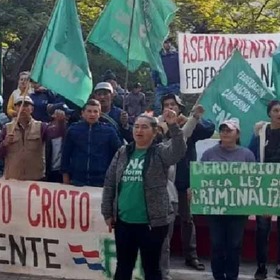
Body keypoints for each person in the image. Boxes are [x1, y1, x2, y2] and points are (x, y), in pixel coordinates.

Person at [101, 110, 187, 280]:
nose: (139, 131)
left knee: (152, 269)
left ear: (154, 132)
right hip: (124, 221)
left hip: (152, 224)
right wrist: (108, 212)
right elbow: (110, 182)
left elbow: (178, 151)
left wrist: (173, 126)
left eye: (144, 127)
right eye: (137, 127)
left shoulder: (160, 152)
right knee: (123, 267)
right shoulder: (123, 152)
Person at [160, 94, 213, 272]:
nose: (170, 108)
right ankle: (162, 259)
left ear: (179, 108)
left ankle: (191, 256)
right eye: (166, 105)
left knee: (187, 220)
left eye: (173, 105)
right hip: (163, 184)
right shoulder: (158, 127)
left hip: (186, 181)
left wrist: (195, 118)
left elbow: (209, 130)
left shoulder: (187, 125)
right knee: (165, 222)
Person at [201, 119, 254, 280]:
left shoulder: (247, 155)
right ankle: (218, 276)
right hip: (215, 209)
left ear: (237, 134)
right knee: (217, 244)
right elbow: (200, 177)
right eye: (223, 130)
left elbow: (255, 181)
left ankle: (232, 276)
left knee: (234, 245)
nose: (225, 133)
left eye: (229, 130)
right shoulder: (209, 154)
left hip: (238, 210)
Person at [250, 100, 280, 280]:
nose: (279, 114)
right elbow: (251, 155)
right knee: (262, 228)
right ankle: (261, 267)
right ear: (269, 113)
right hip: (264, 186)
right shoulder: (261, 131)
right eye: (276, 110)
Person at [61, 99, 121, 187]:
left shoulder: (109, 131)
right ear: (83, 113)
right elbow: (65, 155)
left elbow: (118, 154)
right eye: (89, 111)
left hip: (102, 181)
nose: (92, 114)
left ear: (100, 114)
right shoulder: (73, 129)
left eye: (95, 111)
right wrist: (65, 179)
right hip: (78, 180)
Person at [0, 96, 47, 180]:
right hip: (13, 179)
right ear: (15, 109)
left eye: (26, 105)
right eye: (19, 106)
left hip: (35, 181)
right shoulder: (7, 128)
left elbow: (56, 135)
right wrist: (4, 143)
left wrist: (60, 123)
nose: (22, 109)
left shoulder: (41, 127)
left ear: (32, 109)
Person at [152, 38, 181, 115]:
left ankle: (174, 122)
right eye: (165, 42)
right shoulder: (158, 57)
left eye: (169, 42)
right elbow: (154, 70)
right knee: (158, 105)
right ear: (162, 44)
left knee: (175, 105)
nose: (168, 44)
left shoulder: (177, 55)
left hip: (174, 85)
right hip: (161, 86)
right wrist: (155, 83)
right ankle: (160, 124)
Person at [45, 106, 68, 183]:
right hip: (49, 172)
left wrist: (62, 123)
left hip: (64, 172)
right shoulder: (45, 129)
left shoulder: (68, 130)